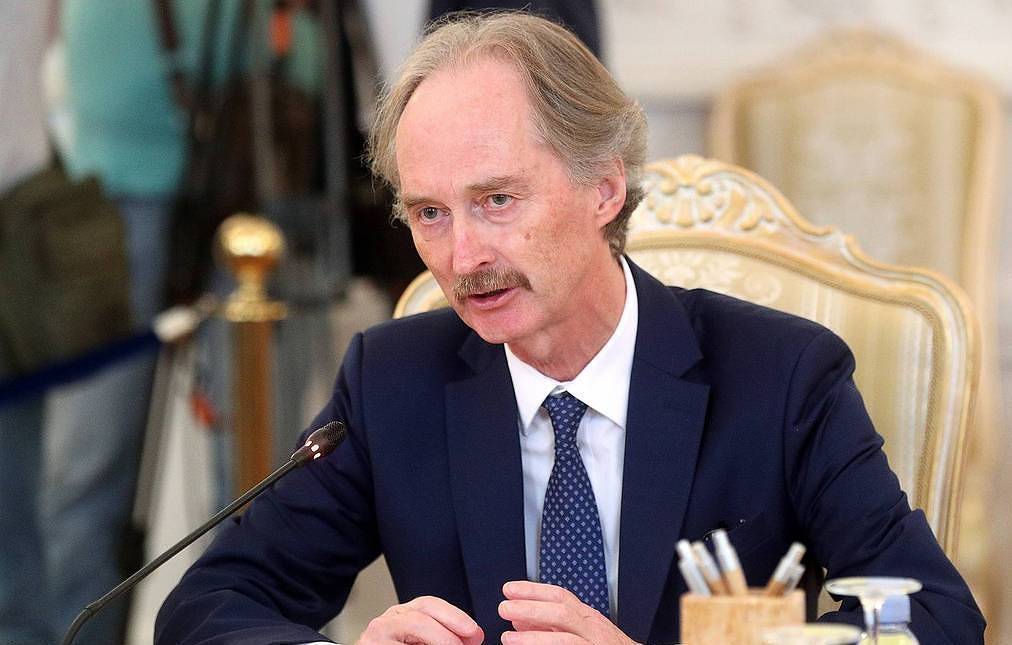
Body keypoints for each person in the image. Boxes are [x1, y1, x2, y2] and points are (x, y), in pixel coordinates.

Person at [155, 12, 985, 645]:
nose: (462, 257)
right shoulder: (391, 379)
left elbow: (935, 614)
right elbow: (210, 606)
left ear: (603, 188)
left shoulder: (781, 373)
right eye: (430, 213)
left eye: (497, 200)